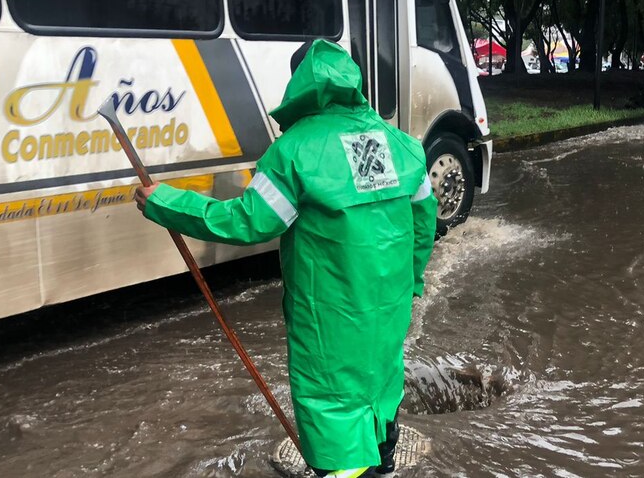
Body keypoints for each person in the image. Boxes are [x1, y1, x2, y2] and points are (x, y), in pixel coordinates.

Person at [133, 40, 437, 477]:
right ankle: (383, 467)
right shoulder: (402, 146)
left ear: (299, 84)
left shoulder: (294, 153)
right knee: (381, 387)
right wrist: (410, 281)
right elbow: (423, 225)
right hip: (389, 308)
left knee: (332, 409)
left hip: (330, 320)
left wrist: (166, 203)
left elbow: (246, 222)